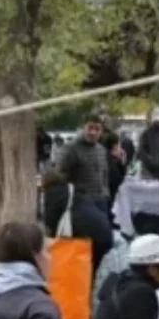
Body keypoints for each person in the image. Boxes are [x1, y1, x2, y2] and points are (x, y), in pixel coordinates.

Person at [54, 114, 114, 273]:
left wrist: (106, 196)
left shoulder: (101, 150)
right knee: (85, 247)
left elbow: (104, 176)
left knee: (103, 245)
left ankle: (93, 279)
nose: (93, 132)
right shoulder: (70, 149)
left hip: (101, 202)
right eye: (90, 128)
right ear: (83, 127)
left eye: (97, 129)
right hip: (80, 206)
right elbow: (59, 178)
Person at [136, 107, 159, 180]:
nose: (157, 123)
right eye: (156, 121)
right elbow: (141, 151)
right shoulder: (146, 133)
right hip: (152, 172)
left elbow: (141, 151)